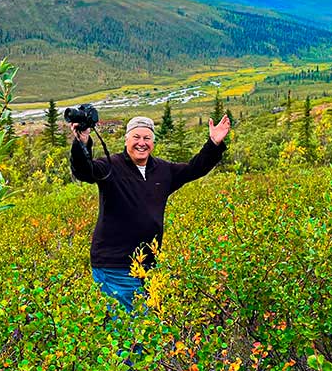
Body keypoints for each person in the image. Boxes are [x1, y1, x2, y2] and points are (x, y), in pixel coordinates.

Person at [70, 113, 231, 312]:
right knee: (129, 330)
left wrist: (213, 143)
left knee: (142, 326)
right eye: (136, 137)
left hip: (147, 265)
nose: (141, 143)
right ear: (126, 139)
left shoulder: (163, 170)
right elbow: (84, 170)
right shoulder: (111, 166)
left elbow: (194, 169)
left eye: (147, 138)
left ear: (153, 142)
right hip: (114, 265)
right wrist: (82, 141)